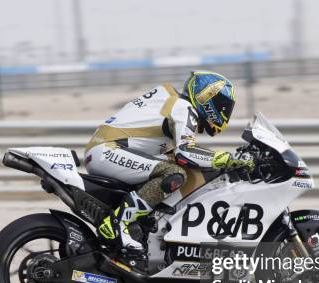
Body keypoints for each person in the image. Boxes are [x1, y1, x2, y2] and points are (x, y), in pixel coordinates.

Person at [84, 71, 254, 255]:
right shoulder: (183, 107)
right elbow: (186, 152)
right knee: (174, 174)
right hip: (108, 150)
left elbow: (182, 152)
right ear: (206, 96)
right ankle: (118, 223)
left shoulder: (175, 102)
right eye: (222, 105)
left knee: (179, 168)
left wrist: (219, 161)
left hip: (109, 150)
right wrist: (227, 159)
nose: (223, 111)